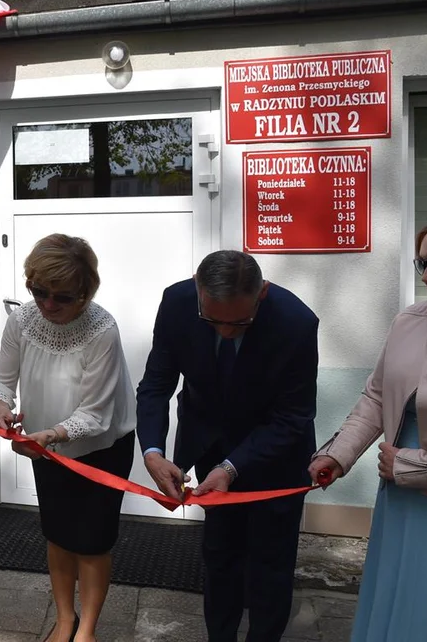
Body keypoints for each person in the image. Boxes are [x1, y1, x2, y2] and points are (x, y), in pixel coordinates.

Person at [136, 250, 318, 642]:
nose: (226, 332)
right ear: (198, 288)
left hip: (277, 458)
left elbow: (294, 416)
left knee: (270, 565)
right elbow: (156, 384)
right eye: (213, 320)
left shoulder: (296, 322)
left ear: (262, 293)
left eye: (240, 322)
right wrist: (152, 452)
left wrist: (232, 467)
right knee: (219, 556)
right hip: (210, 446)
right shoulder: (177, 302)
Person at [309, 215, 427, 641]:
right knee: (396, 600)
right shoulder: (410, 320)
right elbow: (377, 397)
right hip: (398, 497)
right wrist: (337, 454)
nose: (426, 276)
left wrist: (409, 467)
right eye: (421, 264)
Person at [0, 234, 136, 642]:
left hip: (100, 447)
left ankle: (86, 630)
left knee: (92, 542)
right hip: (47, 448)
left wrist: (49, 436)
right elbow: (0, 380)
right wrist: (0, 410)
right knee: (57, 534)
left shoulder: (102, 330)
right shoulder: (22, 320)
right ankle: (65, 618)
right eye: (39, 292)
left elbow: (95, 414)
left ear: (85, 294)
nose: (48, 305)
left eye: (62, 297)